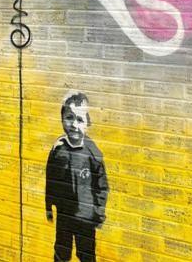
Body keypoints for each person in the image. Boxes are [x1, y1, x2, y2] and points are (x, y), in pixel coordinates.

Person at [45, 91, 109, 262]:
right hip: (64, 214)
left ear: (88, 122)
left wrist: (98, 213)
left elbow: (101, 186)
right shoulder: (58, 149)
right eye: (69, 117)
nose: (74, 124)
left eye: (79, 119)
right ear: (62, 119)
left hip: (86, 217)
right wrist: (48, 206)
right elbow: (50, 179)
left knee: (86, 254)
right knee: (61, 251)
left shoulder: (92, 152)